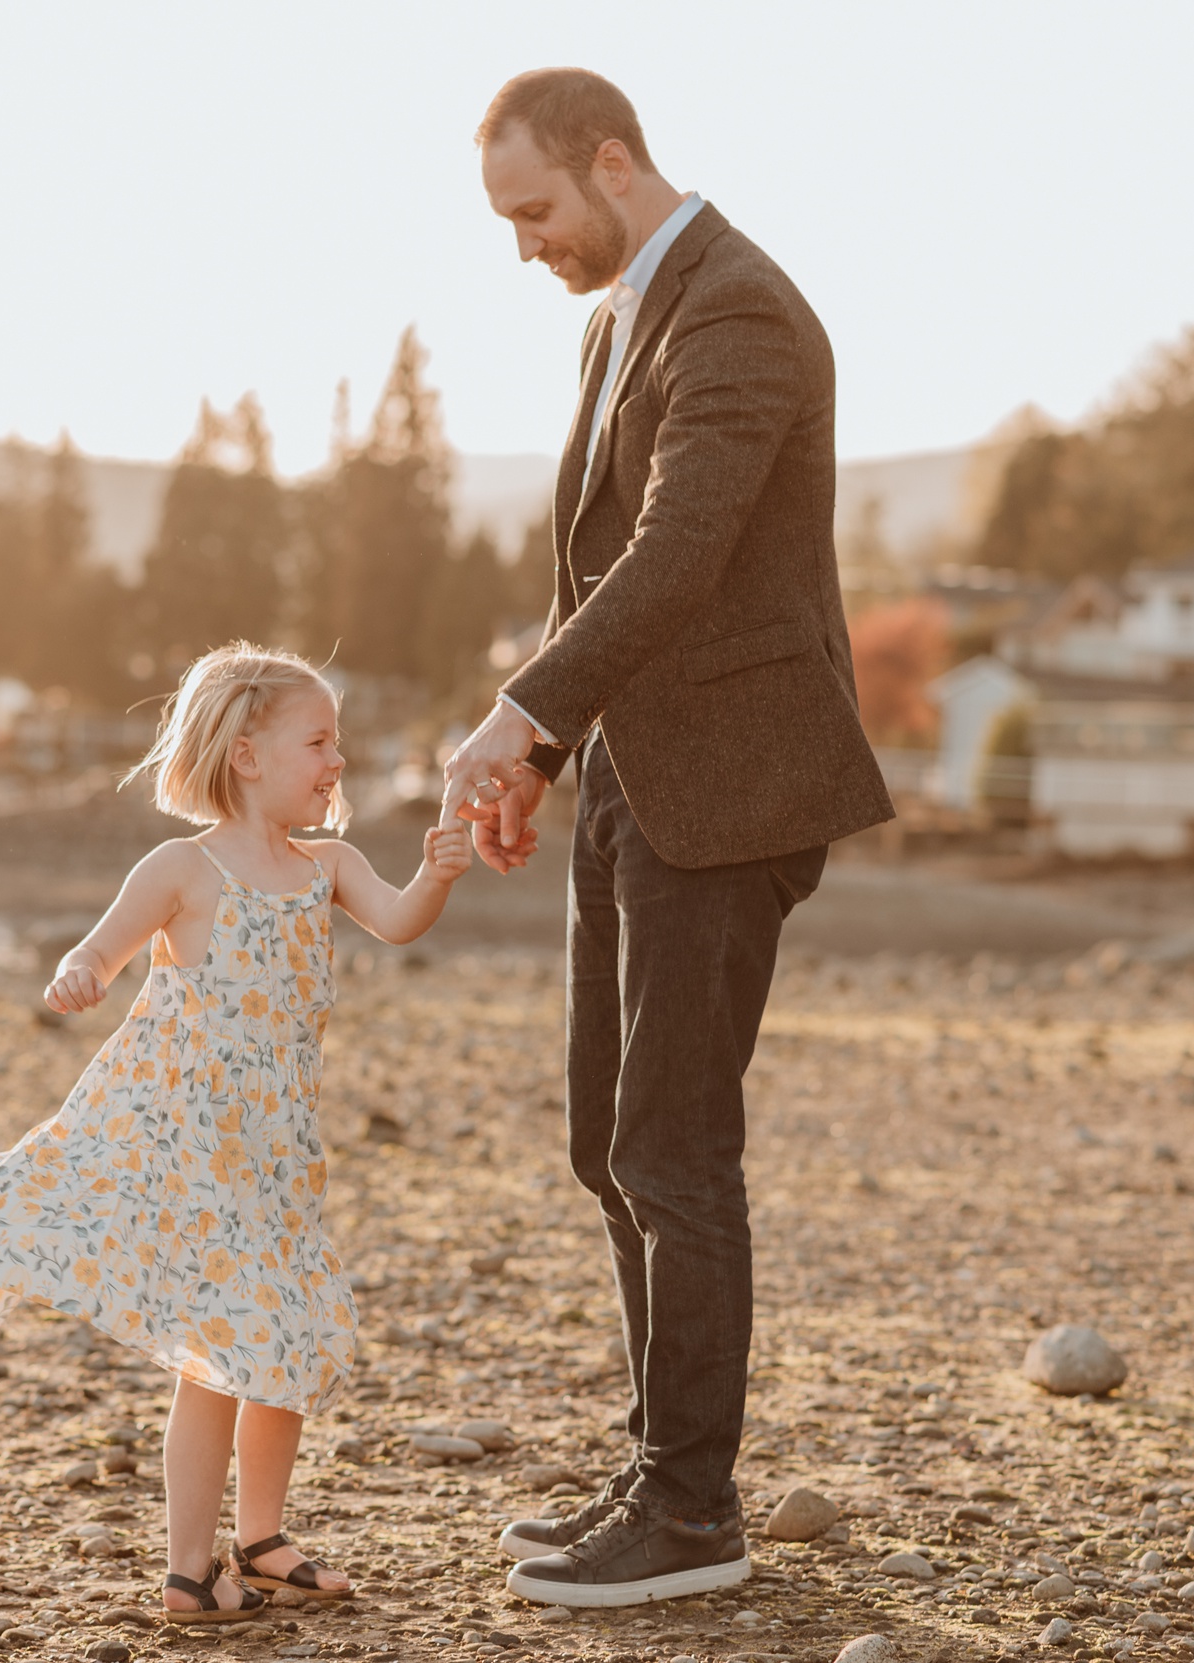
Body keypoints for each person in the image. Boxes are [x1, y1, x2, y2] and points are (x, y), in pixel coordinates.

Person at [444, 69, 896, 1607]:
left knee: (673, 1148)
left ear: (614, 162)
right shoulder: (616, 316)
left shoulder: (741, 311)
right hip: (635, 778)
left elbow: (680, 553)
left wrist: (512, 711)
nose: (525, 246)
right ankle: (656, 1465)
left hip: (737, 789)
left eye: (536, 211)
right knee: (603, 1139)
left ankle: (693, 1514)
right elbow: (595, 581)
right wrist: (547, 745)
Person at [0, 643, 475, 1624]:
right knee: (219, 1360)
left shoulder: (330, 866)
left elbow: (401, 921)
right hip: (194, 1163)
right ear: (244, 753)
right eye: (317, 741)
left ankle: (263, 1537)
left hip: (278, 1163)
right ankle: (190, 1567)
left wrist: (439, 869)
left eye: (337, 743)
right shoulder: (183, 869)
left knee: (285, 1347)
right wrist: (79, 977)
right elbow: (99, 949)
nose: (336, 761)